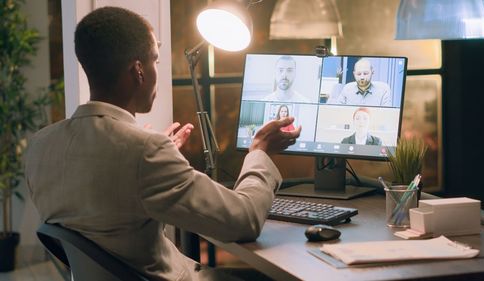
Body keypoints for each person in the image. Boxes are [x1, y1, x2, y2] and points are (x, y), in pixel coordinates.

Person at [24, 7, 301, 281]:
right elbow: (244, 221)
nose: (158, 68)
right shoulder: (143, 153)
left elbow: (105, 203)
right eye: (156, 60)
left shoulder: (40, 146)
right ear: (139, 71)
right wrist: (259, 151)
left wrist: (155, 158)